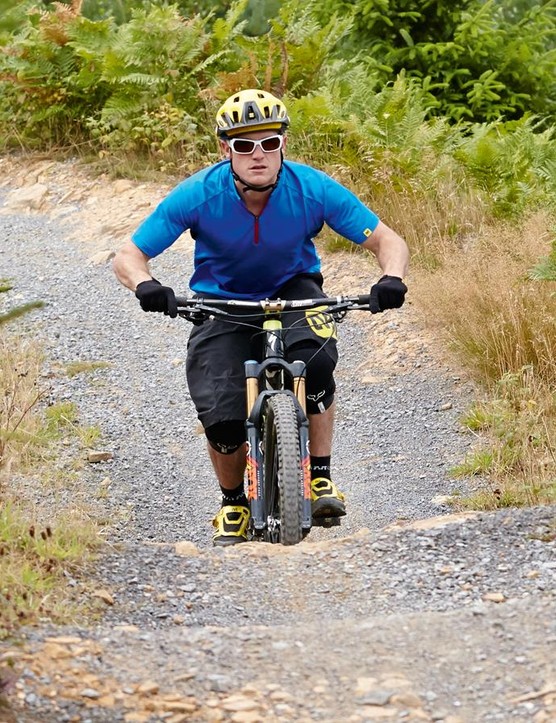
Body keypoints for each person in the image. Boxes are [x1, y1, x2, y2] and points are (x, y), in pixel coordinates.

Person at [113, 89, 409, 546]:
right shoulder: (198, 193)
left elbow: (387, 240)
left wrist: (391, 277)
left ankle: (320, 477)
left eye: (269, 143)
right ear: (224, 148)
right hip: (222, 301)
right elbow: (130, 254)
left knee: (317, 362)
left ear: (283, 146)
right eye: (244, 144)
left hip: (295, 290)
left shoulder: (312, 188)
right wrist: (146, 285)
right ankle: (233, 503)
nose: (258, 154)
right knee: (222, 416)